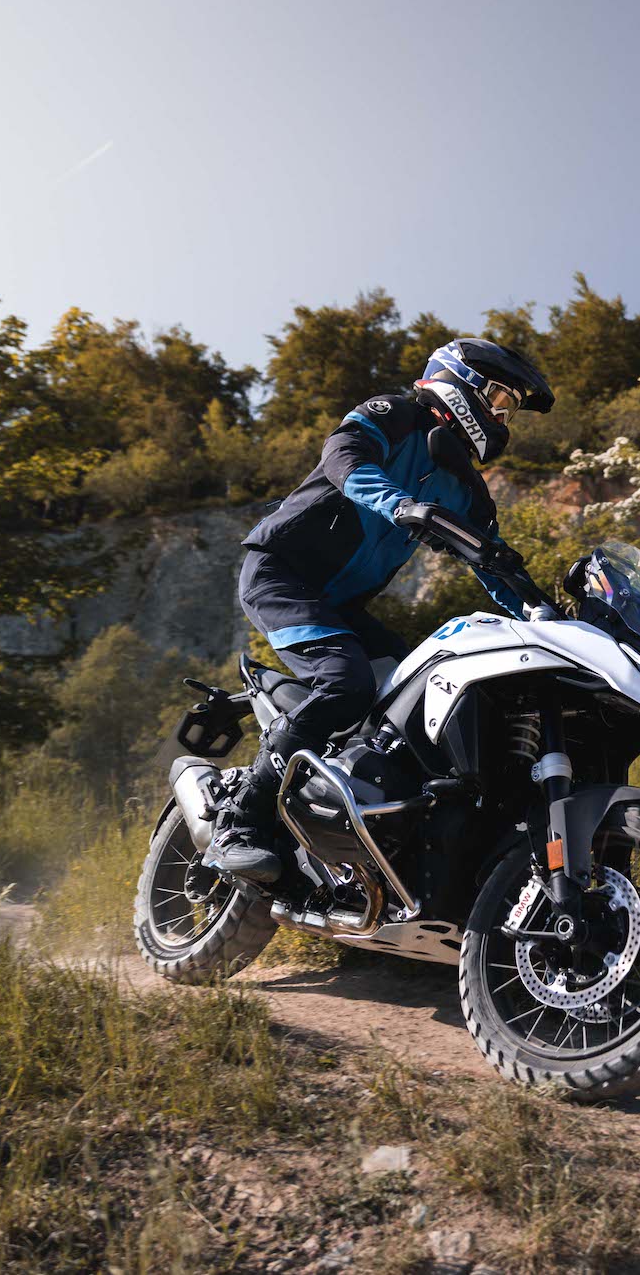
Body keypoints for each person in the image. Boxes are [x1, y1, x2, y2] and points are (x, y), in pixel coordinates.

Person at [203, 338, 554, 883]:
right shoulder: (394, 413)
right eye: (499, 399)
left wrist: (548, 616)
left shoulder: (466, 487)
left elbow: (494, 565)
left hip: (342, 606)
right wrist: (400, 503)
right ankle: (239, 820)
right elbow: (343, 458)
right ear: (459, 380)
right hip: (282, 574)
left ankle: (354, 821)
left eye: (509, 409)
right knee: (346, 683)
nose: (503, 416)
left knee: (422, 693)